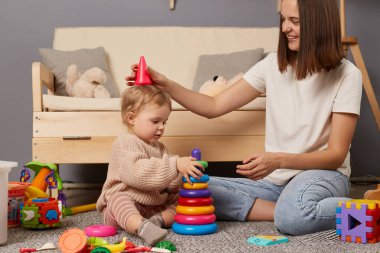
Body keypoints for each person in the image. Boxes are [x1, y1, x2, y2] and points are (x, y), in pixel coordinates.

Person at [126, 0, 362, 235]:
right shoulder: (272, 65)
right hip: (275, 184)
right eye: (283, 19)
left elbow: (335, 155)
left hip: (324, 176)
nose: (284, 28)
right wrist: (165, 84)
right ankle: (284, 209)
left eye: (295, 21)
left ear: (319, 24)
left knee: (292, 218)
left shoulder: (347, 75)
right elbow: (213, 105)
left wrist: (278, 160)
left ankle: (354, 210)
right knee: (189, 187)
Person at [96, 85, 204, 245]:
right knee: (118, 199)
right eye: (155, 121)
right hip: (123, 208)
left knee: (181, 200)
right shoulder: (125, 142)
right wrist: (174, 165)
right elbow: (137, 173)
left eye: (164, 122)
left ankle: (158, 221)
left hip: (152, 205)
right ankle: (141, 226)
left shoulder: (159, 147)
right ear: (131, 118)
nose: (161, 127)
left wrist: (183, 173)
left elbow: (166, 182)